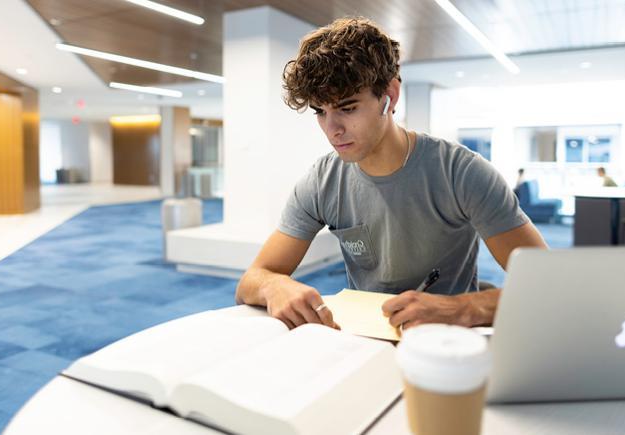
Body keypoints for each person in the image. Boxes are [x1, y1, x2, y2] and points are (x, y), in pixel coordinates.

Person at [234, 17, 547, 330]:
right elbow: (252, 279)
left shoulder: (462, 172)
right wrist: (274, 286)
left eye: (347, 107)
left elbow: (548, 285)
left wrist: (461, 308)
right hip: (361, 340)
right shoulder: (322, 181)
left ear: (390, 96)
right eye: (320, 112)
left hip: (448, 344)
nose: (333, 130)